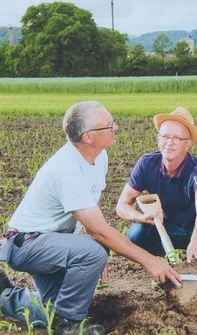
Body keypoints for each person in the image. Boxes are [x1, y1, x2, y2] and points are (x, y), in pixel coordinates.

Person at [0, 101, 182, 335]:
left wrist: (95, 246)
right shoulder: (66, 170)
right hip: (28, 244)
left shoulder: (98, 156)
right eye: (109, 125)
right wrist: (150, 261)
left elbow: (93, 207)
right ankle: (69, 323)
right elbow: (99, 231)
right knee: (93, 252)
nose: (116, 127)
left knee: (52, 309)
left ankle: (4, 295)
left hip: (56, 242)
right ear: (88, 137)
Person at [114, 106, 197, 293]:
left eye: (177, 138)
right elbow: (122, 205)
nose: (169, 143)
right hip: (166, 228)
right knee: (135, 234)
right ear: (158, 139)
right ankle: (162, 271)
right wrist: (140, 217)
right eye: (165, 136)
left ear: (188, 144)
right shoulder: (146, 164)